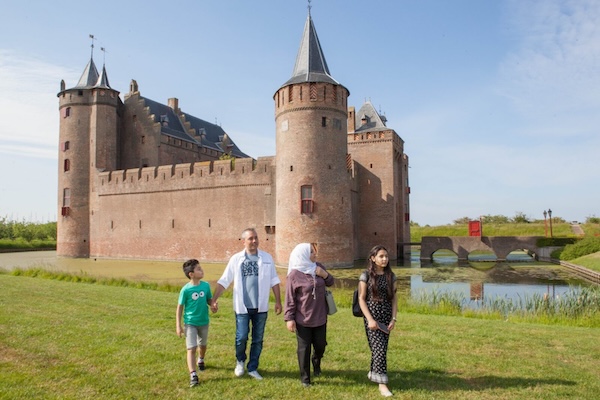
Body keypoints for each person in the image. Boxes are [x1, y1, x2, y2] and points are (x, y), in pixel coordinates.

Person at [211, 228, 282, 380]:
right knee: (241, 337)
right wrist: (214, 299)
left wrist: (278, 301)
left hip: (261, 307)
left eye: (256, 238)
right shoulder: (236, 259)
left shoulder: (267, 258)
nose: (254, 241)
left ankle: (253, 368)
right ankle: (240, 361)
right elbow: (225, 280)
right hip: (242, 307)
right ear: (243, 241)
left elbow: (274, 280)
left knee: (258, 339)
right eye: (250, 238)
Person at [284, 243, 334, 387]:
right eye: (312, 252)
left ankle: (316, 361)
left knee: (320, 345)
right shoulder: (294, 274)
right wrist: (289, 318)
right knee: (303, 349)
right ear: (303, 254)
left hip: (320, 316)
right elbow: (290, 298)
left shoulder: (318, 267)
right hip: (302, 318)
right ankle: (305, 379)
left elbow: (331, 282)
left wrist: (323, 274)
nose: (315, 254)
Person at [358, 245, 398, 397]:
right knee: (379, 349)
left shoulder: (391, 277)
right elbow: (361, 299)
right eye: (381, 256)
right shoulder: (365, 276)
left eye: (386, 256)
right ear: (373, 258)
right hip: (372, 316)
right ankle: (382, 384)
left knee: (379, 349)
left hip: (386, 317)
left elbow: (394, 299)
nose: (385, 259)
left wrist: (394, 318)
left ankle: (374, 374)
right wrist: (370, 319)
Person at [176, 259, 216, 387]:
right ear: (191, 274)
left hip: (204, 322)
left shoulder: (206, 286)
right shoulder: (185, 290)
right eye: (198, 269)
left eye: (201, 267)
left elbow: (209, 300)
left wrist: (213, 304)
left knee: (202, 345)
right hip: (190, 323)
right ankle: (193, 374)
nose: (202, 270)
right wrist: (178, 325)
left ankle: (201, 359)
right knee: (191, 348)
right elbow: (180, 307)